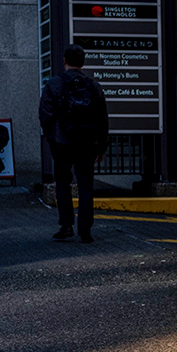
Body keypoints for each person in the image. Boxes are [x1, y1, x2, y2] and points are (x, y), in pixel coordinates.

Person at [39, 45, 108, 243]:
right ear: (83, 62)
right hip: (86, 142)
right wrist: (101, 145)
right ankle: (85, 230)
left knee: (62, 182)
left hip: (61, 142)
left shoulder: (54, 84)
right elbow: (102, 117)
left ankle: (66, 225)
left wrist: (51, 137)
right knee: (86, 184)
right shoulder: (93, 85)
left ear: (64, 60)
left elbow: (45, 114)